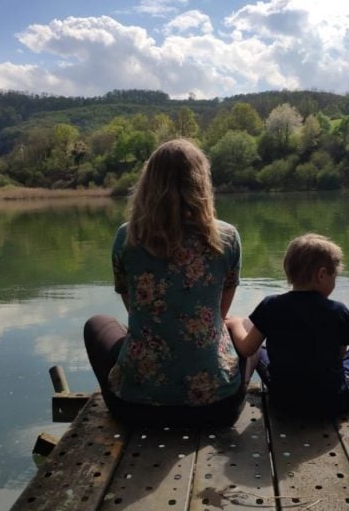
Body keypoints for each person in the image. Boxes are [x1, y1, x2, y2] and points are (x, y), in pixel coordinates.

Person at [84, 139, 256, 427]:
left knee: (97, 325)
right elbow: (220, 312)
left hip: (136, 408)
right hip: (217, 407)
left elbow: (133, 309)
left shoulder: (127, 237)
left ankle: (139, 376)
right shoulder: (226, 237)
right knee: (246, 327)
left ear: (148, 183)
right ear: (201, 183)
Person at [226, 233, 349, 418]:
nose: (335, 283)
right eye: (335, 277)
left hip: (283, 401)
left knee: (260, 348)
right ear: (322, 275)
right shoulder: (338, 311)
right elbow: (339, 357)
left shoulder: (271, 305)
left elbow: (247, 348)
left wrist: (236, 324)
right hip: (332, 403)